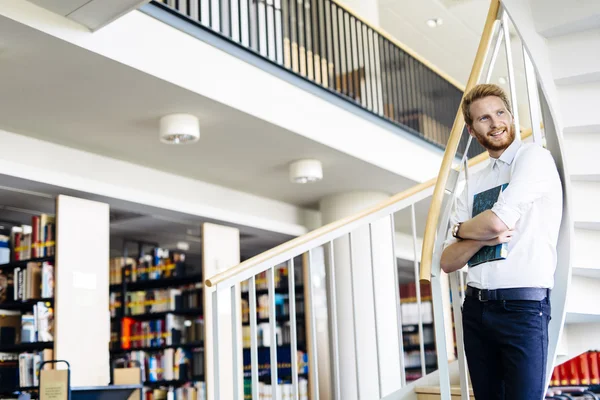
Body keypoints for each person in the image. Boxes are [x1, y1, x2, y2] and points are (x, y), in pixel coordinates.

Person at [440, 84, 563, 400]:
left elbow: (497, 221)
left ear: (510, 115)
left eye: (500, 113)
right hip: (476, 308)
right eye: (484, 118)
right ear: (472, 129)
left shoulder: (533, 158)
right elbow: (448, 261)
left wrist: (462, 229)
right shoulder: (474, 182)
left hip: (522, 307)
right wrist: (479, 237)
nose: (495, 124)